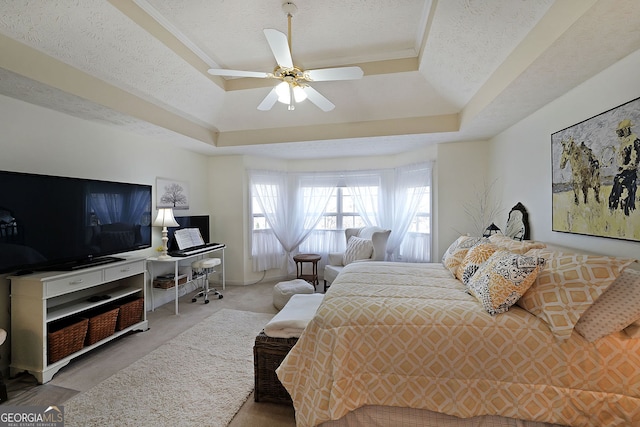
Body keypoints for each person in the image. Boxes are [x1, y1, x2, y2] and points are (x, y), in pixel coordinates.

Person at [608, 119, 640, 215]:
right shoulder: (624, 143)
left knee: (627, 190)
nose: (619, 133)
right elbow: (621, 159)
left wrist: (625, 167)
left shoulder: (635, 141)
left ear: (626, 130)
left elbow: (635, 160)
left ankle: (625, 209)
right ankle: (613, 209)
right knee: (617, 184)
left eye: (620, 131)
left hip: (631, 173)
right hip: (624, 172)